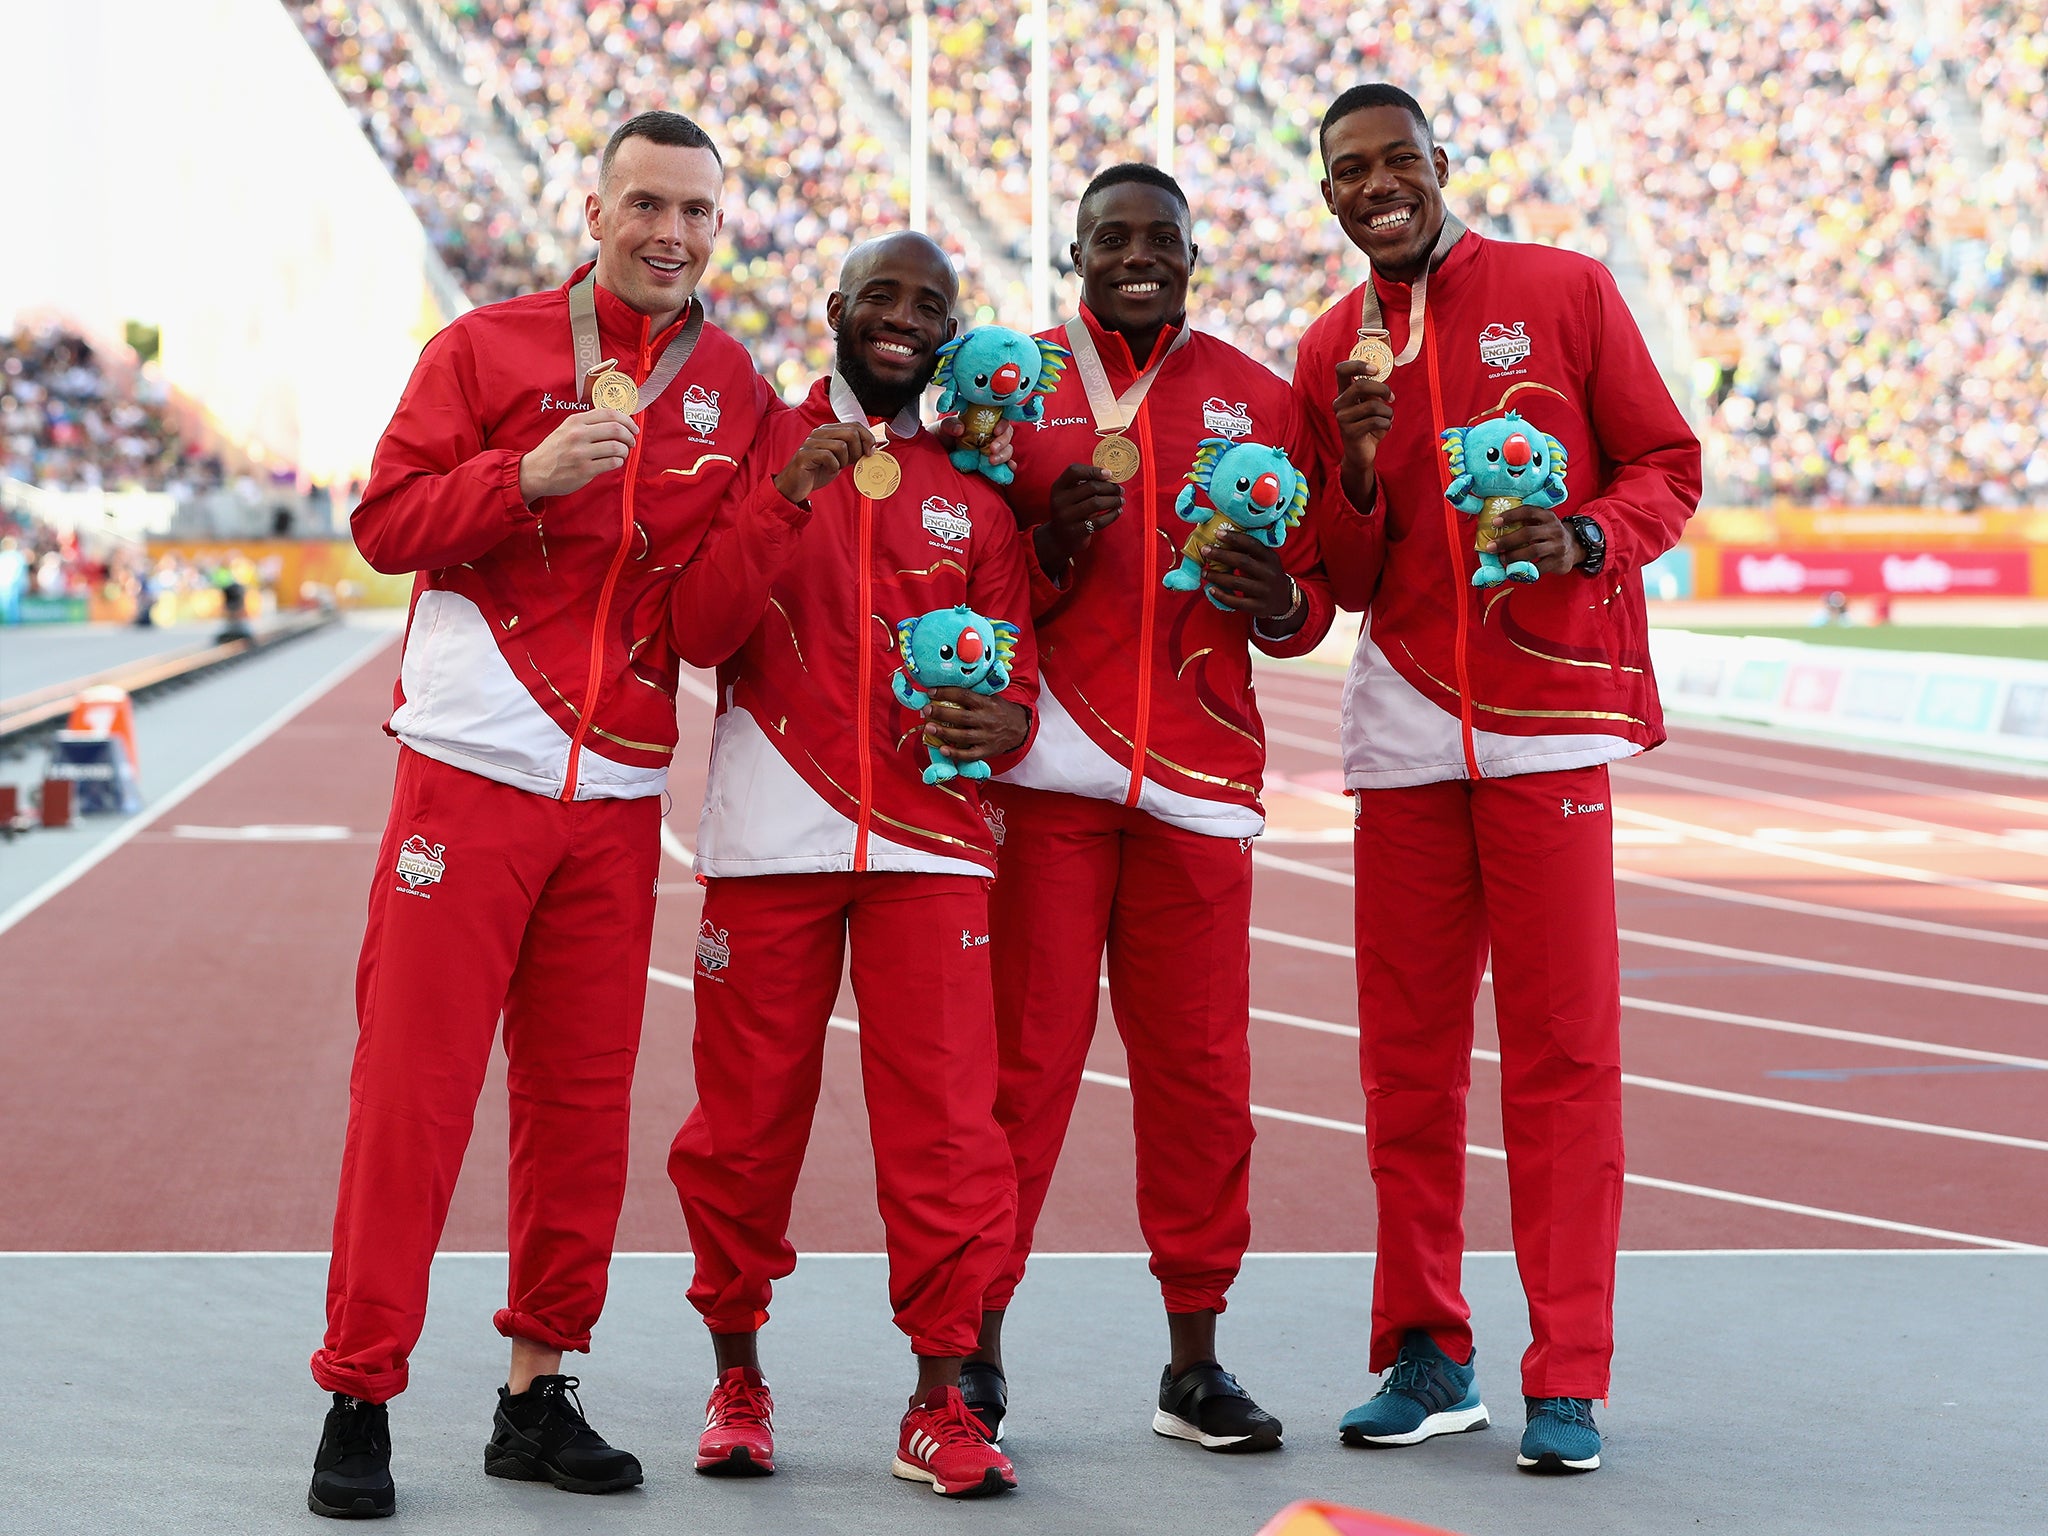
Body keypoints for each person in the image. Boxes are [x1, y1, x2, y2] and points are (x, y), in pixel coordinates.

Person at [305, 110, 822, 1519]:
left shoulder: (738, 388)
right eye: (646, 204)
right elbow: (385, 525)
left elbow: (715, 628)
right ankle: (359, 1394)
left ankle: (538, 1391)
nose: (671, 234)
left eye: (697, 213)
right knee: (411, 1097)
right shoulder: (486, 348)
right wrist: (516, 480)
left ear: (722, 226)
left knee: (582, 1110)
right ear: (594, 211)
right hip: (472, 772)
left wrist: (783, 501)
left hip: (620, 795)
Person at [1293, 84, 1701, 1475]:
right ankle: (1425, 1349)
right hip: (1405, 724)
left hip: (1550, 723)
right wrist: (1348, 461)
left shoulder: (1565, 290)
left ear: (1440, 165)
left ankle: (1567, 1372)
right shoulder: (1321, 350)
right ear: (1329, 195)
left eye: (1397, 160)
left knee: (1565, 1056)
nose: (1377, 186)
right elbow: (1340, 583)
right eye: (1350, 172)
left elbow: (1668, 463)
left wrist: (1586, 538)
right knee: (1404, 1067)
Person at [966, 163, 1336, 1454]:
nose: (1138, 256)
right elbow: (962, 566)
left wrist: (1276, 599)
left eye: (1161, 239)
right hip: (1047, 784)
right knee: (1020, 1078)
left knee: (1201, 1085)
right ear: (1073, 252)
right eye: (1112, 238)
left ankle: (1195, 1361)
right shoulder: (1008, 382)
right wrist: (1046, 549)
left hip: (1196, 783)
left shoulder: (1257, 395)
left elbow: (1306, 612)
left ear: (1192, 254)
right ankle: (973, 1354)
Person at [667, 231, 1037, 1500]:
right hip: (771, 841)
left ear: (949, 339)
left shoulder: (974, 500)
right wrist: (785, 495)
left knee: (946, 1136)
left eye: (927, 308)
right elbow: (700, 631)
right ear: (835, 310)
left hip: (933, 854)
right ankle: (736, 1379)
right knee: (742, 1130)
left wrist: (1009, 724)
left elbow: (1015, 686)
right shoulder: (760, 446)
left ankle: (937, 1403)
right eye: (880, 297)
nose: (901, 321)